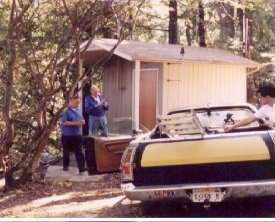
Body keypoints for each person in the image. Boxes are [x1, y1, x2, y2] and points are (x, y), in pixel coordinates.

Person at [60, 96, 86, 173]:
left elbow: (82, 119)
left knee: (79, 152)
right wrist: (77, 123)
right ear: (71, 102)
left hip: (77, 135)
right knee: (66, 152)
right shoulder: (66, 111)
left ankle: (81, 168)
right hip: (67, 135)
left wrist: (83, 121)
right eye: (76, 102)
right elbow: (64, 123)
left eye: (78, 102)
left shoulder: (78, 110)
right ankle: (66, 166)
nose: (78, 104)